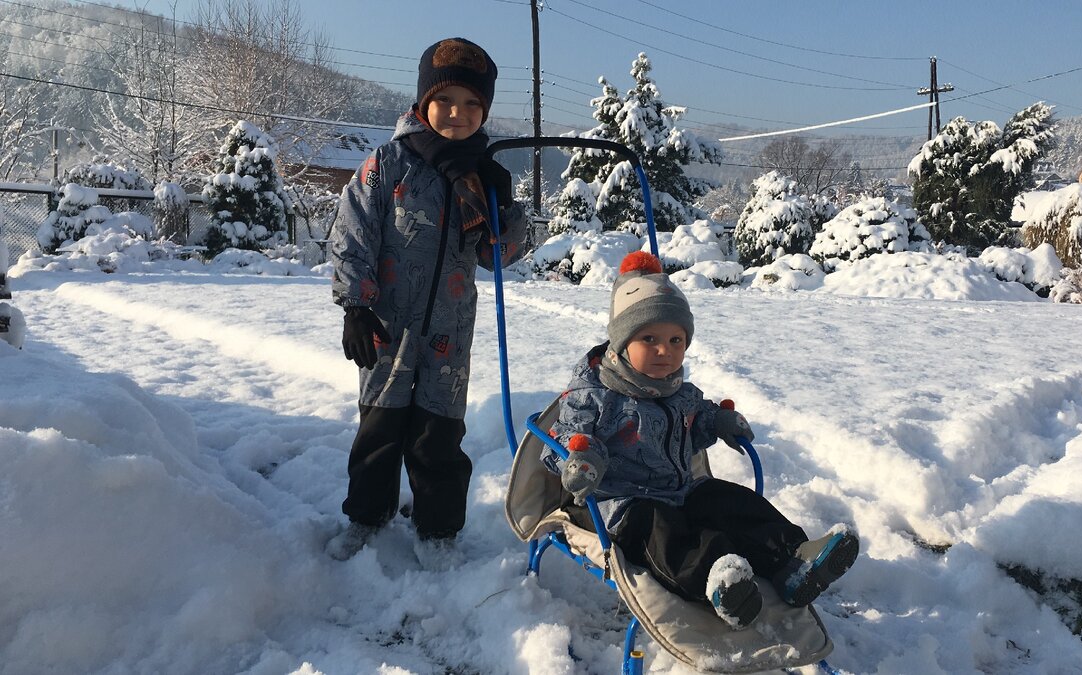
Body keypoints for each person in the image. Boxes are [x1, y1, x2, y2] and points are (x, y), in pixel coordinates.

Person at [543, 251, 858, 630]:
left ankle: (794, 559)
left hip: (680, 490)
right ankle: (721, 582)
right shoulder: (595, 393)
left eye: (677, 339)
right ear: (622, 342)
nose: (666, 350)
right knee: (664, 533)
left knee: (730, 501)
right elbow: (565, 438)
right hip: (619, 504)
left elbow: (699, 417)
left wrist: (719, 421)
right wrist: (582, 460)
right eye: (649, 338)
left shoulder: (678, 390)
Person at [326, 37, 526, 562]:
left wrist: (506, 213)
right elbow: (353, 232)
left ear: (484, 111)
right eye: (445, 101)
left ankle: (439, 530)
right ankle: (367, 518)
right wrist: (355, 304)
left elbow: (496, 257)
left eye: (471, 104)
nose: (457, 114)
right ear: (422, 103)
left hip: (449, 328)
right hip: (386, 323)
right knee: (380, 428)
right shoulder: (389, 163)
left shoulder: (485, 174)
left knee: (439, 433)